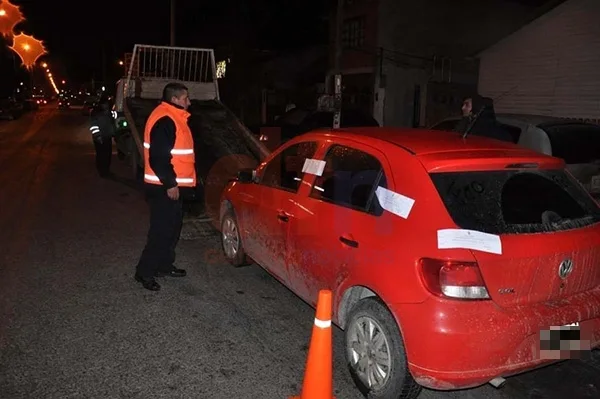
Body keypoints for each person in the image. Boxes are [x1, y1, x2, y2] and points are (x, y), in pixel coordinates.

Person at [134, 82, 195, 291]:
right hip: (163, 188)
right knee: (161, 232)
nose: (189, 101)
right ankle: (144, 272)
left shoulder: (175, 117)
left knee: (172, 230)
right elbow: (159, 158)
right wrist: (170, 184)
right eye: (186, 98)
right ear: (175, 99)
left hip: (171, 186)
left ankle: (164, 265)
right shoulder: (166, 118)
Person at [89, 94, 116, 177]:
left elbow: (115, 117)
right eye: (104, 104)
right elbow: (93, 126)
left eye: (107, 104)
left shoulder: (109, 113)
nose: (106, 106)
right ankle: (102, 171)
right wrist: (98, 136)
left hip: (107, 137)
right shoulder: (96, 113)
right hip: (99, 138)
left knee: (107, 155)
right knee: (101, 155)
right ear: (101, 105)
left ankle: (106, 171)